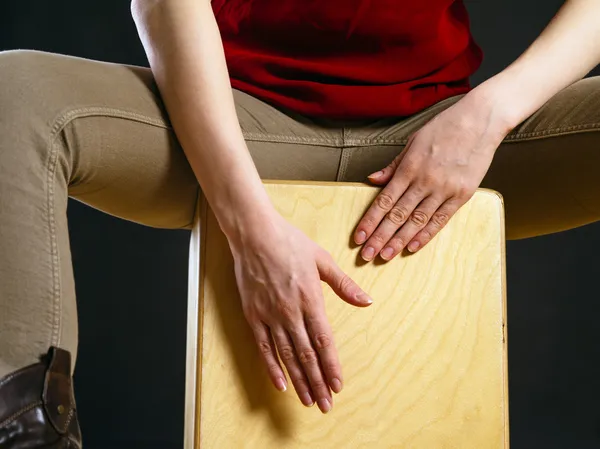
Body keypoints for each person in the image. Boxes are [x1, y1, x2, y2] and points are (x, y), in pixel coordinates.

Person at [1, 0, 599, 444]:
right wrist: (249, 227)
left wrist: (487, 117)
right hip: (237, 122)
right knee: (16, 92)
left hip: (435, 132)